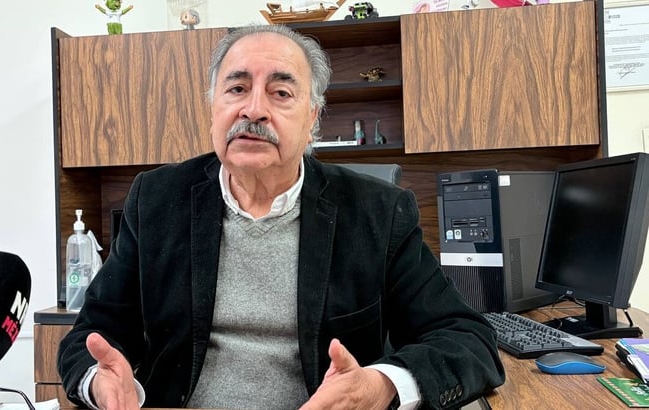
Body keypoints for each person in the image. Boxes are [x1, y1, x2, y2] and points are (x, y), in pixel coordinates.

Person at [57, 23, 505, 410]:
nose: (253, 109)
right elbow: (91, 333)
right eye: (236, 89)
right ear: (213, 109)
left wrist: (379, 385)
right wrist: (100, 382)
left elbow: (467, 340)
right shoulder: (156, 199)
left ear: (312, 119)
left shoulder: (379, 211)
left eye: (281, 93)